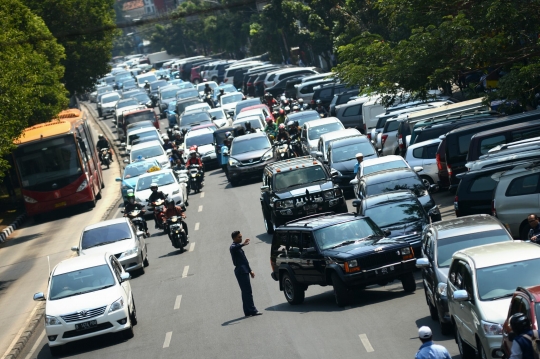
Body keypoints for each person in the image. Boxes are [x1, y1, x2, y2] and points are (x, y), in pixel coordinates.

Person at [229, 231, 262, 317]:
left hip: (244, 270)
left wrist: (250, 270)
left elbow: (245, 261)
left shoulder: (239, 248)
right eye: (239, 237)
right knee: (247, 292)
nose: (241, 238)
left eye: (241, 237)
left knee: (245, 292)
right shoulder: (233, 247)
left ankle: (247, 311)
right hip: (241, 271)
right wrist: (243, 244)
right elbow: (234, 248)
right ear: (234, 238)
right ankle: (253, 310)